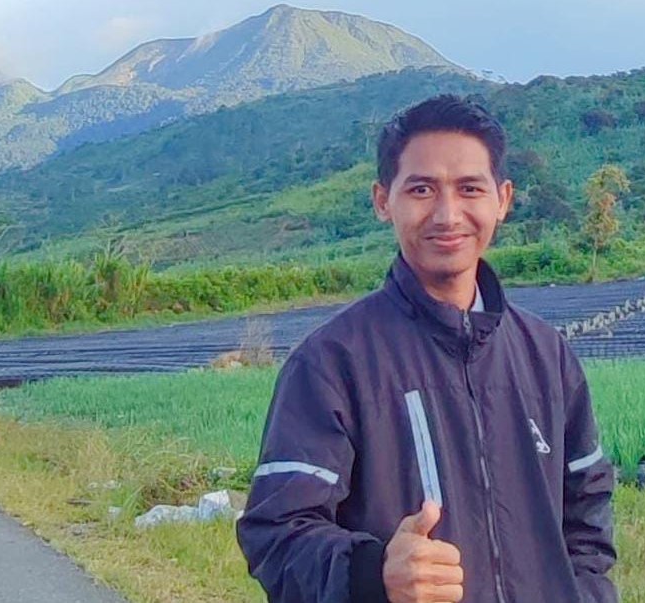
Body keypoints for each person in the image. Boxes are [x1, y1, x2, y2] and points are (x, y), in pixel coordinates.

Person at [237, 94, 617, 603]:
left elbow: (588, 514)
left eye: (469, 189)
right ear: (383, 201)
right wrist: (374, 574)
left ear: (502, 200)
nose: (447, 214)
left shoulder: (547, 356)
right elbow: (276, 534)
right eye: (421, 189)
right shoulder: (331, 363)